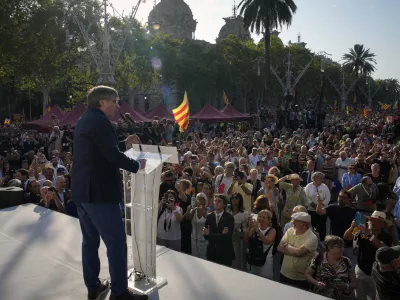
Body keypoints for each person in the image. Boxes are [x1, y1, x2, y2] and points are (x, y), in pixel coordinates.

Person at [71, 86, 147, 300]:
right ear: (101, 102)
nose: (117, 105)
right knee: (116, 243)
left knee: (90, 241)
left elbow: (100, 152)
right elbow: (112, 156)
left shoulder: (85, 119)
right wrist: (137, 165)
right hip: (100, 194)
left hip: (82, 192)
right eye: (115, 101)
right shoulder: (101, 122)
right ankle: (120, 293)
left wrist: (124, 144)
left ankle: (94, 286)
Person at [278, 212, 318, 290]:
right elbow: (279, 247)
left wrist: (286, 245)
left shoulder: (312, 238)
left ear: (304, 224)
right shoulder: (290, 231)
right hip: (284, 273)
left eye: (295, 221)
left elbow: (299, 253)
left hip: (300, 278)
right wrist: (295, 251)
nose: (292, 222)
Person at [203, 194, 235, 266]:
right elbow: (205, 235)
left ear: (224, 204)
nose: (216, 202)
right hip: (211, 252)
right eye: (215, 200)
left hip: (225, 253)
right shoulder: (209, 216)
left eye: (219, 201)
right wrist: (220, 234)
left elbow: (226, 237)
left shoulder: (229, 218)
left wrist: (210, 234)